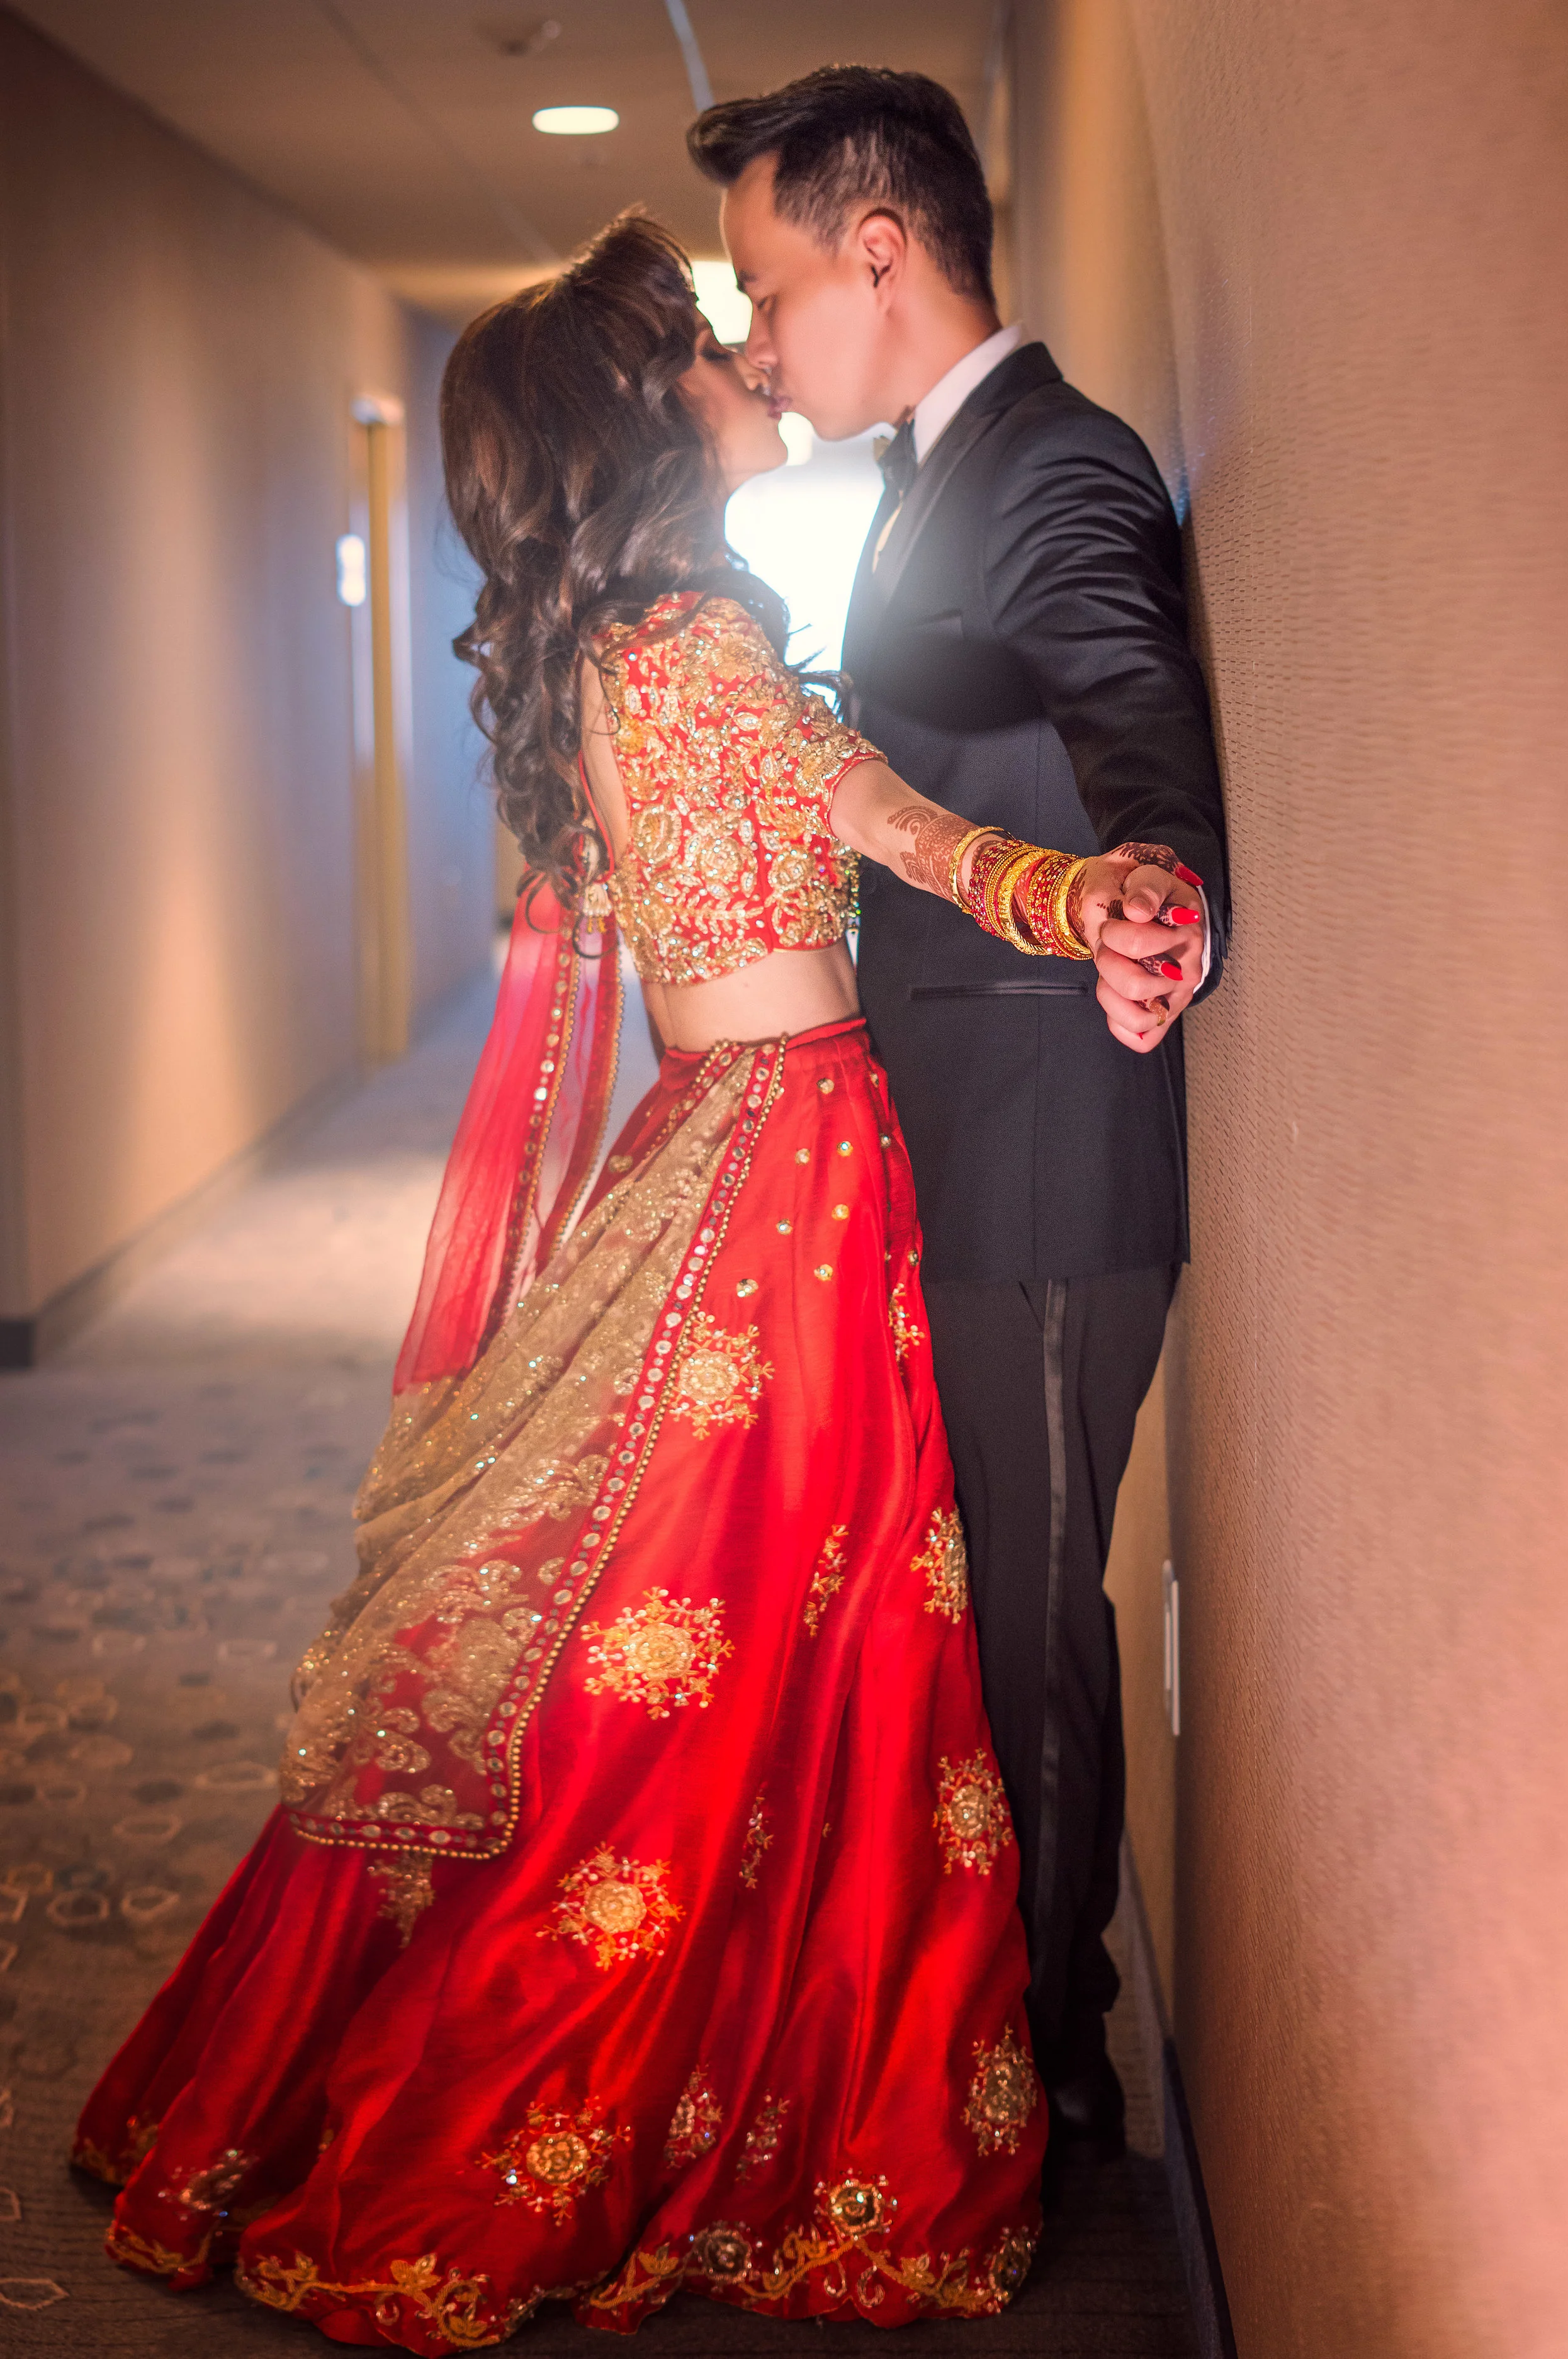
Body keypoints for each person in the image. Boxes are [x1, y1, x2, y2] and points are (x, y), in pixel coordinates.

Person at [72, 214, 1193, 2348]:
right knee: (783, 1621)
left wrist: (1056, 880)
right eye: (703, 346)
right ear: (641, 424)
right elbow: (904, 836)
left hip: (715, 1144)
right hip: (795, 1160)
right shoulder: (700, 646)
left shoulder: (613, 650)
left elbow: (842, 830)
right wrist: (1102, 891)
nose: (741, 357)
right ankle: (705, 2084)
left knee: (682, 1605)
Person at [689, 68, 1230, 2161]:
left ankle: (1054, 2058)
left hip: (1043, 1139)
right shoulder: (930, 465)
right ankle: (990, 2017)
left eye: (770, 286)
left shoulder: (1055, 464)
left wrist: (1154, 903)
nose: (757, 337)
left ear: (881, 250)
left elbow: (1131, 726)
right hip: (955, 1125)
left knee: (1028, 1606)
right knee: (976, 1592)